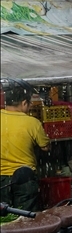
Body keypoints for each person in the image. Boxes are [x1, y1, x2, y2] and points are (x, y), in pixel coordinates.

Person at [0, 79, 49, 211]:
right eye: (30, 103)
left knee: (4, 216)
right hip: (24, 178)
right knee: (25, 218)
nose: (31, 106)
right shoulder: (32, 122)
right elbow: (45, 147)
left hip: (1, 179)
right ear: (23, 103)